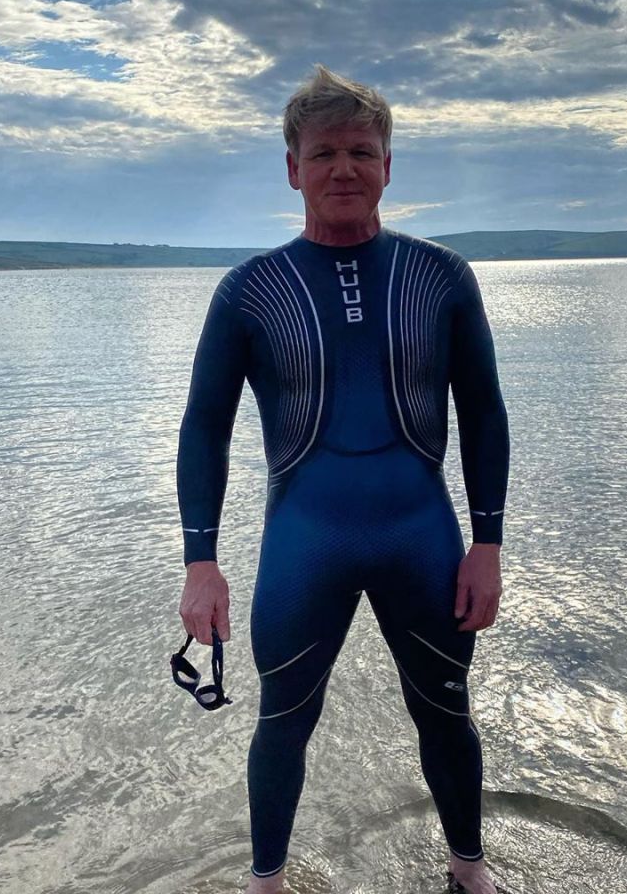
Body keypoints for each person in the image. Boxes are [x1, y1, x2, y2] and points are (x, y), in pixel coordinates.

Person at [176, 65, 510, 894]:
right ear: (292, 168)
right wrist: (200, 562)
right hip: (305, 542)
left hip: (421, 538)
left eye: (362, 151)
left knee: (445, 711)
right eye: (323, 152)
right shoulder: (249, 292)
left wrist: (488, 545)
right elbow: (203, 428)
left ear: (389, 164)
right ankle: (266, 885)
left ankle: (469, 875)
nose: (344, 169)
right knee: (282, 722)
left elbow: (486, 413)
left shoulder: (443, 278)